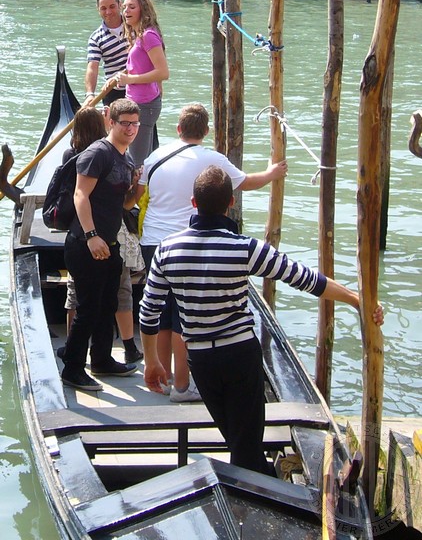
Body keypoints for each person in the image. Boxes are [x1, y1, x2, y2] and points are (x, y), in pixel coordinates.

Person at [140, 166, 385, 475]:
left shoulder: (166, 249)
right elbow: (306, 279)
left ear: (193, 203)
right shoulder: (245, 248)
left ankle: (260, 483)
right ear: (231, 202)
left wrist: (152, 361)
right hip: (240, 354)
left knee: (240, 441)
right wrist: (357, 300)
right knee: (244, 444)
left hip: (200, 359)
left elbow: (149, 311)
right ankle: (260, 496)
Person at [138, 103, 288, 402]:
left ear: (179, 129)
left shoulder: (155, 155)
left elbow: (140, 189)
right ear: (206, 131)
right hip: (187, 243)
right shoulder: (213, 160)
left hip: (153, 241)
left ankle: (164, 375)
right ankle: (182, 385)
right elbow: (246, 182)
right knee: (183, 318)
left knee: (162, 315)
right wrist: (272, 173)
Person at [61, 98, 143, 391]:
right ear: (111, 122)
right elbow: (80, 196)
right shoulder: (98, 153)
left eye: (135, 123)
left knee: (107, 303)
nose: (131, 129)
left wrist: (138, 186)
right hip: (85, 243)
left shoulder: (126, 156)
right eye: (125, 123)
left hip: (110, 243)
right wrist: (91, 235)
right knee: (88, 307)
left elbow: (124, 204)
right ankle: (72, 368)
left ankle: (102, 359)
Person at [112, 0, 169, 167]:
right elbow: (142, 66)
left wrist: (130, 80)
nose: (126, 11)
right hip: (140, 103)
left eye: (132, 7)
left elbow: (163, 72)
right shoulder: (139, 36)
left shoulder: (148, 36)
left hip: (145, 105)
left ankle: (138, 194)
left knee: (137, 163)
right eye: (124, 7)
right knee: (140, 159)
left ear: (142, 10)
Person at [82, 0, 128, 108]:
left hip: (139, 86)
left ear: (120, 5)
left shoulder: (134, 25)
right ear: (98, 10)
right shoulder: (95, 38)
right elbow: (92, 67)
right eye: (103, 8)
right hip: (114, 91)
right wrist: (90, 94)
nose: (108, 12)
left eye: (112, 6)